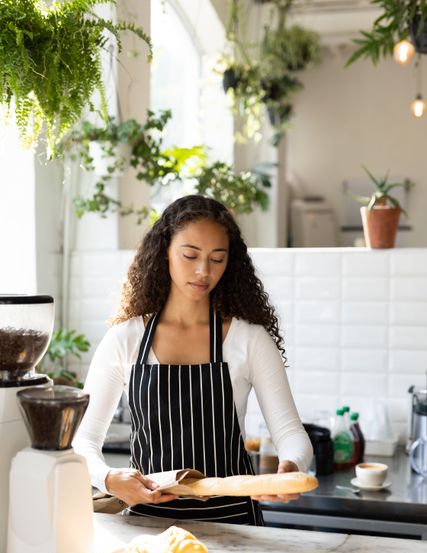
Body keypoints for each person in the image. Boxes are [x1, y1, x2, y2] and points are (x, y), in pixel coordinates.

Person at [73, 195, 313, 526]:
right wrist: (109, 478)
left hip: (234, 526)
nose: (203, 271)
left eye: (217, 259)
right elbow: (82, 441)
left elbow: (291, 433)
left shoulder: (249, 339)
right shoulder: (125, 338)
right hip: (146, 527)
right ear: (164, 253)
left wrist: (292, 466)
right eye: (190, 255)